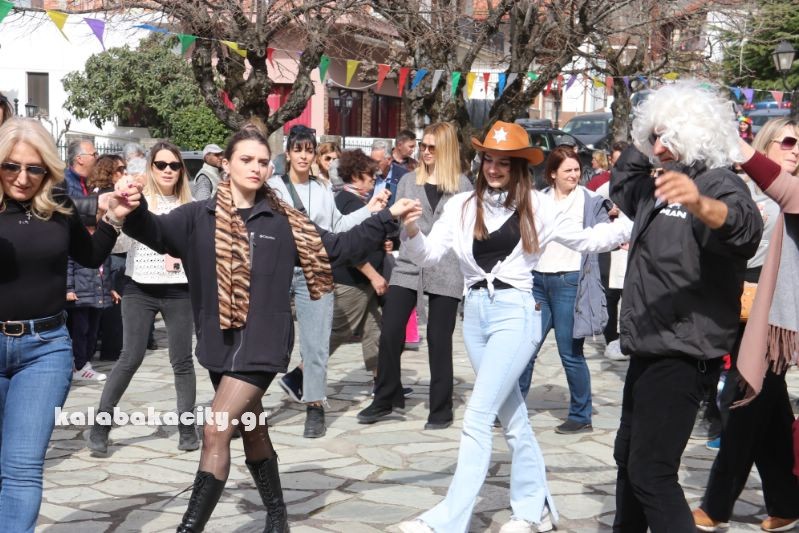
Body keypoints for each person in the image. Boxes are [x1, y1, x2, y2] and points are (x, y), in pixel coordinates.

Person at [114, 126, 418, 532]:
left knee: (216, 428)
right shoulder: (197, 216)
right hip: (219, 343)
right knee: (253, 428)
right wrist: (131, 207)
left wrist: (385, 217)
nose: (256, 168)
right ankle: (278, 519)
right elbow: (153, 231)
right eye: (246, 159)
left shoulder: (284, 220)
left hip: (263, 344)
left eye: (261, 161)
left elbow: (337, 248)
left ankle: (189, 528)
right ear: (226, 163)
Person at [395, 121, 630, 533]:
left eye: (504, 162)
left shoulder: (539, 207)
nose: (494, 168)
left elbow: (590, 241)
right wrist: (411, 228)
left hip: (516, 313)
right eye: (489, 159)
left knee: (477, 416)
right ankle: (536, 508)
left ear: (520, 166)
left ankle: (448, 521)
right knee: (514, 418)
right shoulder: (461, 205)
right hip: (475, 314)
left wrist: (633, 221)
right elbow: (428, 256)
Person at [609, 81, 762, 532]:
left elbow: (743, 228)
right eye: (653, 137)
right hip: (648, 343)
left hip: (683, 350)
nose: (657, 147)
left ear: (693, 135)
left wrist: (697, 203)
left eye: (666, 137)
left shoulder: (719, 183)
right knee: (629, 460)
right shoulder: (656, 185)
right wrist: (645, 136)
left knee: (651, 471)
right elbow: (622, 184)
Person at [0, 117, 136, 533]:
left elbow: (91, 256)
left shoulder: (58, 206)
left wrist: (113, 219)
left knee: (22, 467)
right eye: (11, 166)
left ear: (48, 169)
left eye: (34, 168)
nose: (22, 177)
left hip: (44, 350)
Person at [693, 118, 799, 532]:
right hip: (733, 307)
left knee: (743, 400)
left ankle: (717, 504)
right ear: (766, 144)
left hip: (771, 317)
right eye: (787, 142)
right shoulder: (737, 188)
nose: (795, 149)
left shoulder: (790, 193)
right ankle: (788, 502)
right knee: (766, 405)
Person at [268, 124, 390, 438]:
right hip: (279, 270)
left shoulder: (322, 188)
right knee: (265, 342)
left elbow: (339, 227)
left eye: (309, 150)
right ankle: (248, 405)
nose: (303, 156)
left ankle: (315, 407)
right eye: (298, 150)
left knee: (317, 344)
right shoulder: (272, 188)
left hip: (317, 270)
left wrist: (371, 210)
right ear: (288, 153)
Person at [357, 122, 472, 430]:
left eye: (433, 147)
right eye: (424, 146)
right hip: (408, 265)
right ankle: (386, 397)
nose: (426, 151)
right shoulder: (408, 181)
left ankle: (441, 407)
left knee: (438, 338)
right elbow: (397, 224)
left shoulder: (463, 186)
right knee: (391, 331)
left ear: (447, 149)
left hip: (447, 268)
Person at [88, 142, 198, 455]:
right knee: (130, 356)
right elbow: (119, 246)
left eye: (174, 165)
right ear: (151, 168)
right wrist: (115, 215)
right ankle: (101, 425)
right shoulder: (138, 200)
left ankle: (187, 427)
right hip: (139, 288)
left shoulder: (192, 205)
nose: (168, 170)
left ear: (181, 170)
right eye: (161, 164)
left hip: (179, 290)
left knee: (182, 360)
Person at [516, 146, 612, 434]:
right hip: (537, 283)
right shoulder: (539, 199)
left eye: (576, 169)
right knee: (525, 350)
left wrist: (613, 220)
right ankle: (513, 409)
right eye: (567, 170)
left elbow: (605, 232)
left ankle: (581, 415)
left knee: (570, 352)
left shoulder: (590, 201)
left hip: (570, 282)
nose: (574, 174)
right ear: (552, 174)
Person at [327, 150, 386, 382]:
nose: (373, 178)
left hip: (363, 281)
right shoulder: (349, 202)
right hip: (352, 281)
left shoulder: (355, 200)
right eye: (369, 174)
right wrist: (374, 276)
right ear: (355, 176)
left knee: (375, 330)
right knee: (338, 333)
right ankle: (299, 375)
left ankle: (382, 383)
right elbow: (351, 249)